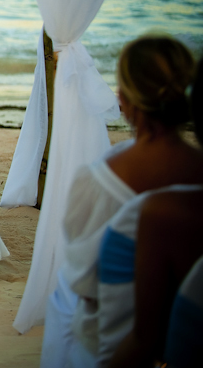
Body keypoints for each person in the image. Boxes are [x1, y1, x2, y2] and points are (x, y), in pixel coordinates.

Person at [39, 35, 203, 367]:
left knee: (63, 300)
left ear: (125, 100)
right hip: (190, 338)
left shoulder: (98, 179)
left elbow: (84, 282)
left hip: (111, 339)